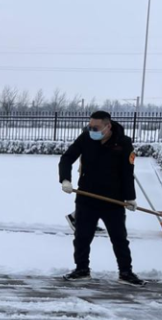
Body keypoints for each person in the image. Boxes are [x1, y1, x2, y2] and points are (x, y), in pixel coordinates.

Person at [58, 111, 145, 286]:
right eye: (90, 127)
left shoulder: (123, 143)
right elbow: (67, 158)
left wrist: (130, 198)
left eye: (95, 128)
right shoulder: (85, 138)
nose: (91, 130)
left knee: (119, 238)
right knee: (82, 237)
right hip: (86, 197)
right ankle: (82, 270)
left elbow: (127, 172)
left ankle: (125, 272)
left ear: (108, 126)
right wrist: (65, 179)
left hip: (113, 200)